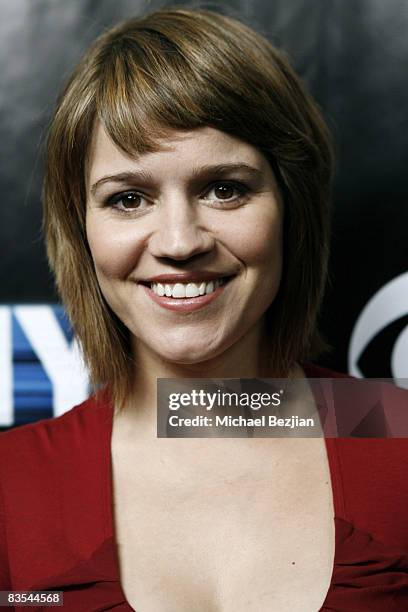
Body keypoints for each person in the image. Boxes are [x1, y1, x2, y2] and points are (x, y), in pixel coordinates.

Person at [1, 7, 408, 611]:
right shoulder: (11, 484)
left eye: (224, 188)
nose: (179, 241)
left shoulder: (396, 430)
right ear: (79, 228)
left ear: (290, 207)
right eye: (129, 198)